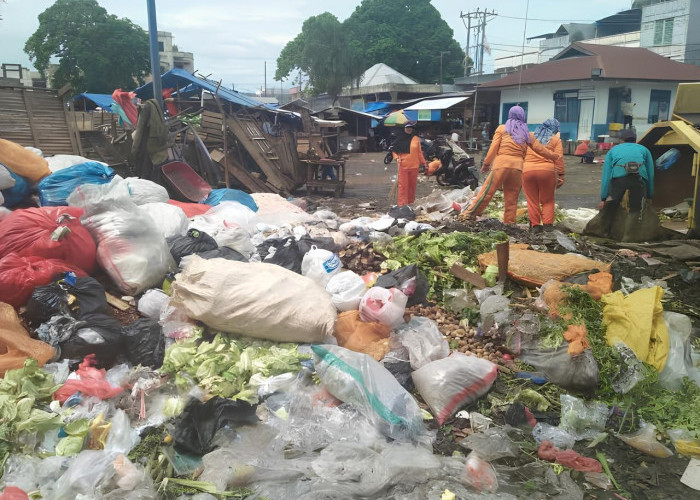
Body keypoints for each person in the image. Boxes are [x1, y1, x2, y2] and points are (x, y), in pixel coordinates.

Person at [459, 106, 561, 224]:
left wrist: (486, 164)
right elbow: (540, 149)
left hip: (501, 164)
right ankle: (509, 223)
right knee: (512, 198)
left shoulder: (502, 129)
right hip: (517, 167)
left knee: (487, 192)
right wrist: (554, 156)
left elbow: (493, 148)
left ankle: (469, 215)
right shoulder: (526, 133)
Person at [598, 129, 654, 237]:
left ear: (621, 140)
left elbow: (606, 176)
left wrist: (604, 198)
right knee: (635, 209)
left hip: (618, 179)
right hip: (638, 179)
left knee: (611, 206)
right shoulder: (644, 150)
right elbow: (650, 174)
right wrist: (649, 196)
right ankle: (629, 236)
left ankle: (605, 232)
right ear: (635, 140)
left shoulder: (613, 150)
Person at [522, 118, 565, 233]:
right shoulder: (556, 140)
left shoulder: (530, 136)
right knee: (548, 200)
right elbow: (558, 159)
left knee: (532, 200)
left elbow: (522, 152)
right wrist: (561, 175)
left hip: (527, 171)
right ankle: (547, 227)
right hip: (547, 172)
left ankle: (535, 227)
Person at [392, 121, 426, 205]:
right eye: (407, 127)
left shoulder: (416, 139)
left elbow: (419, 152)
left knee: (412, 187)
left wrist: (424, 163)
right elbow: (393, 151)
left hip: (414, 166)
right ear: (404, 128)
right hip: (403, 166)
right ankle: (402, 205)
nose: (409, 129)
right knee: (403, 187)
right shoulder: (399, 139)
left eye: (410, 128)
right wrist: (396, 158)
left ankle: (411, 203)